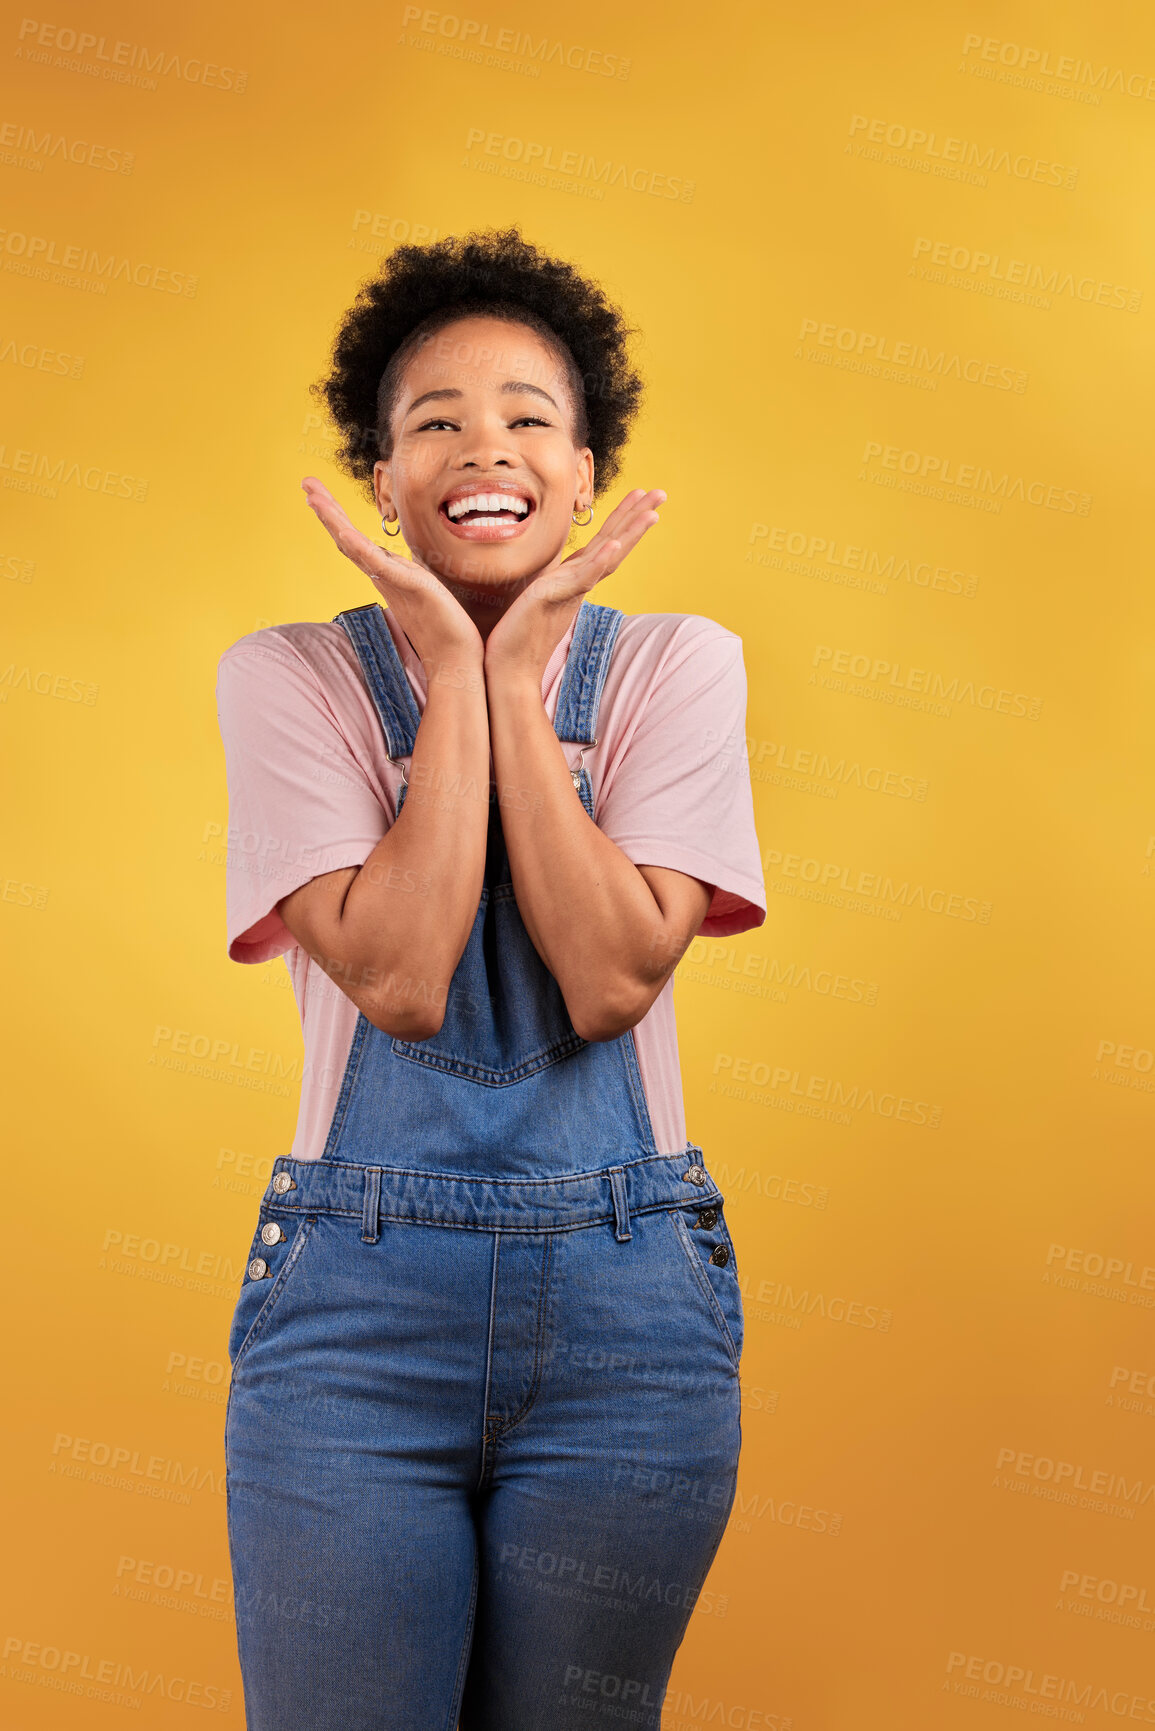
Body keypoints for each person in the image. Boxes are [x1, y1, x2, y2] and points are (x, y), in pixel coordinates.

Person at [215, 225, 766, 1731]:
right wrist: (455, 674)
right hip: (353, 1322)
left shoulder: (675, 668)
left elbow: (609, 977)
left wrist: (513, 680)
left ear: (586, 472)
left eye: (532, 416)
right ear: (384, 478)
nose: (486, 446)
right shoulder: (292, 678)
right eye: (433, 422)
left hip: (628, 1316)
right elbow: (397, 977)